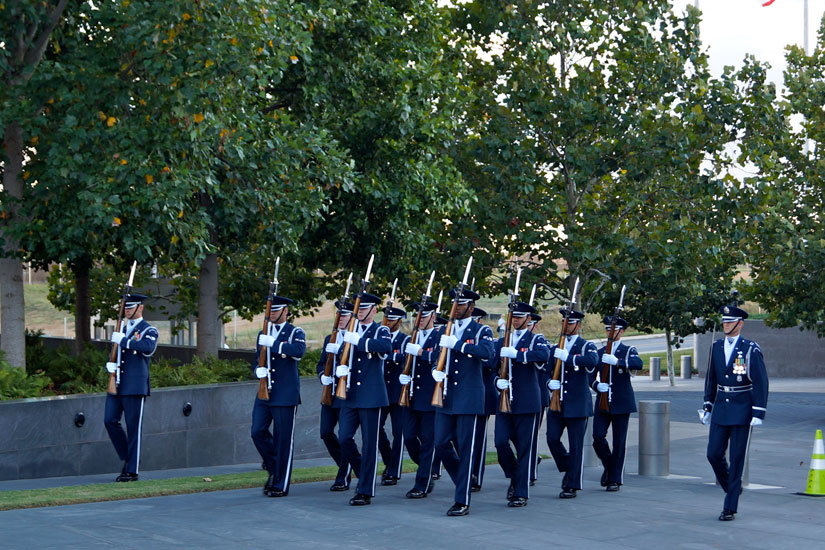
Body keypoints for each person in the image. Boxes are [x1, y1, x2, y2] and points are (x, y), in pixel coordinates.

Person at [701, 304, 768, 521]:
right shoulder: (717, 347)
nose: (725, 325)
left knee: (737, 458)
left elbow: (760, 382)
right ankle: (732, 485)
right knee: (713, 454)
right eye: (724, 322)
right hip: (721, 407)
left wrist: (758, 411)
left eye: (730, 322)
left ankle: (729, 507)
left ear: (740, 323)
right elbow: (711, 380)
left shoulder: (750, 349)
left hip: (742, 408)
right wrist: (707, 406)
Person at [432, 287, 495, 516]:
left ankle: (462, 500)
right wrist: (434, 371)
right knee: (440, 443)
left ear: (470, 307)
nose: (456, 308)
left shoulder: (480, 330)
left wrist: (458, 345)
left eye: (460, 304)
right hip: (446, 396)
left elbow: (488, 353)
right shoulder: (444, 330)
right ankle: (465, 476)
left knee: (467, 448)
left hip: (469, 398)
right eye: (453, 304)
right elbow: (435, 356)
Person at [336, 293, 392, 506]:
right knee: (344, 438)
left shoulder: (381, 330)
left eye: (364, 309)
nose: (359, 312)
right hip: (351, 396)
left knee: (370, 444)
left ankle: (365, 490)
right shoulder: (350, 331)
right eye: (358, 309)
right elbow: (344, 354)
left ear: (374, 310)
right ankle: (362, 470)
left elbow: (385, 347)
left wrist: (359, 341)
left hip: (371, 396)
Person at [493, 302, 548, 507]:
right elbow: (491, 365)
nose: (515, 320)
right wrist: (496, 382)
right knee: (500, 442)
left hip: (527, 401)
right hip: (505, 401)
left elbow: (544, 356)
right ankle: (516, 476)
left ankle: (521, 493)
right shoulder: (502, 341)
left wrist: (518, 355)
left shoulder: (535, 339)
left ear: (527, 319)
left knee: (525, 448)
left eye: (519, 317)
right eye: (513, 317)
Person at [251, 295, 306, 497]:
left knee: (284, 439)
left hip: (285, 393)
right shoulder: (262, 333)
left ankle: (281, 484)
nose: (271, 314)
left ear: (285, 311)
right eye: (269, 311)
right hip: (265, 393)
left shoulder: (294, 332)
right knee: (257, 431)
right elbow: (257, 360)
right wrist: (257, 370)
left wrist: (274, 344)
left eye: (276, 310)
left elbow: (299, 352)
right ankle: (274, 468)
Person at [104, 293, 159, 482]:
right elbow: (115, 352)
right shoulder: (122, 328)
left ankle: (132, 470)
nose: (127, 311)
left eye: (131, 308)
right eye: (125, 308)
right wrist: (110, 364)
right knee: (109, 420)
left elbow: (148, 348)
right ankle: (128, 457)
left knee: (134, 427)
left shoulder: (148, 329)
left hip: (135, 385)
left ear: (140, 308)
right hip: (118, 383)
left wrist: (125, 341)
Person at [545, 308, 599, 499]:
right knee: (551, 438)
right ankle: (569, 466)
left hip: (577, 404)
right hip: (557, 403)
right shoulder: (555, 347)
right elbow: (546, 370)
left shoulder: (586, 346)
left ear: (578, 325)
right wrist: (548, 382)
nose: (565, 326)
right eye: (564, 323)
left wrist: (568, 358)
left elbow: (593, 360)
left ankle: (572, 485)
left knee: (576, 445)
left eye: (569, 323)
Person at [590, 315, 642, 492]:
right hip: (603, 401)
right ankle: (611, 467)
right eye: (607, 329)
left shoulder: (628, 350)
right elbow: (590, 377)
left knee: (619, 442)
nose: (609, 332)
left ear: (621, 331)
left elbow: (638, 363)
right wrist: (597, 386)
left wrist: (618, 362)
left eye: (613, 329)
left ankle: (615, 479)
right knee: (597, 437)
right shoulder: (600, 352)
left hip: (621, 401)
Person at [399, 301, 441, 498]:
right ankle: (431, 465)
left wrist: (422, 353)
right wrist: (403, 375)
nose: (420, 320)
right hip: (411, 396)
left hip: (430, 395)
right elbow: (402, 361)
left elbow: (440, 357)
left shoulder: (440, 336)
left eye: (424, 316)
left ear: (433, 317)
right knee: (408, 437)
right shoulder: (410, 338)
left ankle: (422, 484)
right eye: (418, 316)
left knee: (427, 441)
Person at [317, 300, 358, 491]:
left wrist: (341, 351)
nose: (340, 319)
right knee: (326, 432)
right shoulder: (329, 339)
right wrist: (322, 377)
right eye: (339, 315)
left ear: (352, 318)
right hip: (330, 394)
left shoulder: (355, 338)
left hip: (346, 394)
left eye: (345, 315)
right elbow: (321, 364)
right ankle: (355, 465)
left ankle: (343, 476)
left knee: (344, 437)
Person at [378, 305, 410, 486]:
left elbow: (405, 359)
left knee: (399, 433)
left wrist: (386, 355)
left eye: (391, 320)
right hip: (380, 392)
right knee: (376, 430)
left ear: (399, 321)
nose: (387, 322)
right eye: (386, 318)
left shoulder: (405, 340)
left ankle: (394, 471)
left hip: (398, 393)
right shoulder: (378, 336)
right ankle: (389, 460)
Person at [469, 306, 493, 492]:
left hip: (481, 394)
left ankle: (475, 476)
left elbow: (489, 360)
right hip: (462, 394)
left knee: (478, 440)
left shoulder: (484, 335)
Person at [528, 312, 548, 486]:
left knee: (531, 436)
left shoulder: (540, 343)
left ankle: (530, 472)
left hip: (537, 396)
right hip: (514, 396)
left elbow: (543, 362)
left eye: (529, 325)